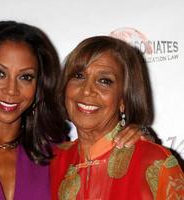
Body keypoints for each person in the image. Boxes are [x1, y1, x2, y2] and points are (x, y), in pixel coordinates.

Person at [0, 21, 148, 200]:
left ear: (39, 85)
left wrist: (138, 138)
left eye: (25, 77)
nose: (11, 90)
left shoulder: (54, 154)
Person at [50, 36, 184, 200]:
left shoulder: (154, 161)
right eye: (78, 76)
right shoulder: (52, 161)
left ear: (124, 99)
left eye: (104, 81)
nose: (87, 90)